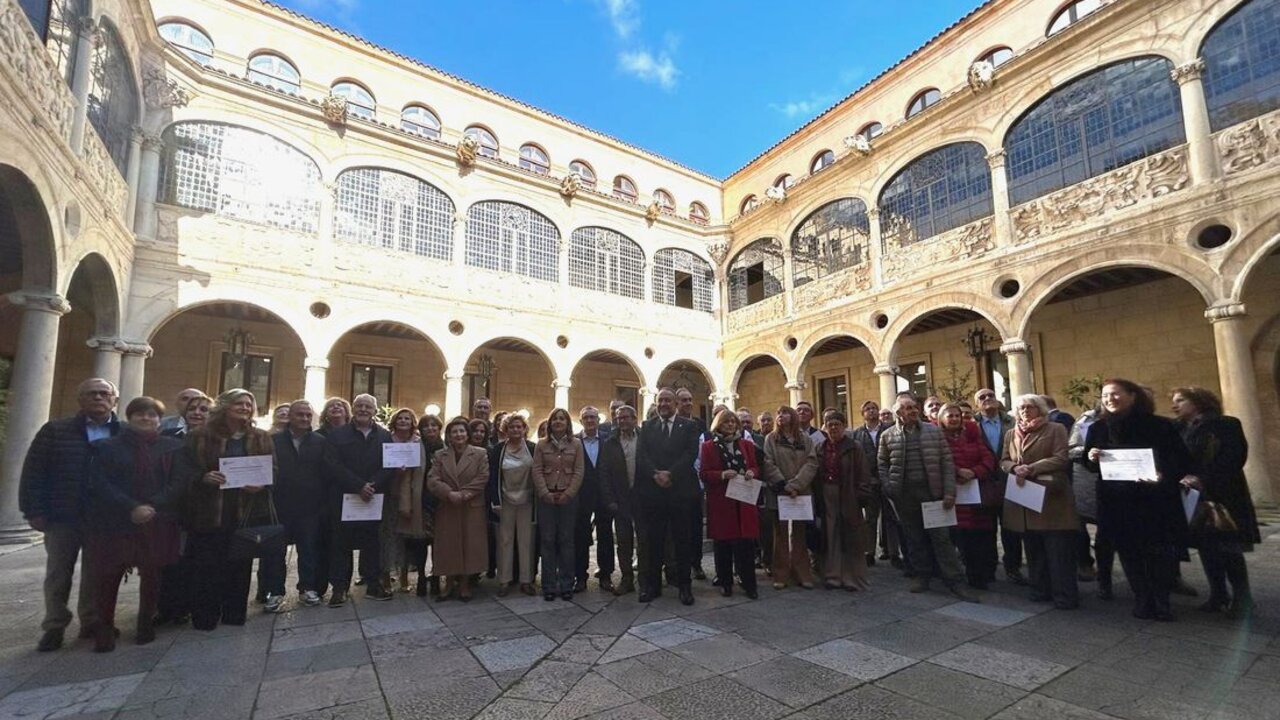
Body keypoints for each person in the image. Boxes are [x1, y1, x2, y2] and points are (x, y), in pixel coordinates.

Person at [20, 377, 120, 651]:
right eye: (91, 394)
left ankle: (92, 619)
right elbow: (33, 472)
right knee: (58, 573)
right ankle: (54, 625)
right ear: (80, 400)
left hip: (102, 517)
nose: (98, 398)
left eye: (104, 394)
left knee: (96, 572)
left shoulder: (122, 433)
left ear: (114, 400)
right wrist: (33, 510)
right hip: (62, 514)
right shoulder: (55, 430)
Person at [1084, 379, 1193, 621]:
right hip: (1116, 502)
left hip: (1154, 500)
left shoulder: (1160, 425)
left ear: (1133, 396)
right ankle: (1142, 597)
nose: (1109, 399)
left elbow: (1180, 459)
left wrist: (1162, 474)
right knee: (1128, 551)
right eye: (1105, 396)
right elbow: (1089, 464)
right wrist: (1091, 457)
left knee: (1159, 551)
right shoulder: (1098, 429)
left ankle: (1162, 600)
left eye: (1115, 394)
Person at [86, 396, 184, 651]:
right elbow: (100, 482)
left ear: (159, 420)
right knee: (108, 575)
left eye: (152, 415)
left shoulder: (171, 447)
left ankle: (145, 623)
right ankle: (104, 628)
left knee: (152, 575)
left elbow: (178, 482)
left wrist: (152, 506)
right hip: (116, 521)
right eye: (140, 414)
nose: (146, 418)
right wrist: (132, 507)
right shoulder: (107, 447)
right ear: (129, 418)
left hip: (156, 519)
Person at [175, 389, 278, 630]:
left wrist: (263, 483)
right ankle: (205, 616)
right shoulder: (199, 436)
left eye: (248, 404)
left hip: (246, 511)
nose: (245, 408)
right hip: (208, 511)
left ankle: (234, 614)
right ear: (224, 407)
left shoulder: (261, 437)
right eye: (239, 404)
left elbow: (273, 469)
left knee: (240, 565)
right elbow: (183, 471)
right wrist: (203, 477)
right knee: (207, 565)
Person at [1171, 387, 1260, 618]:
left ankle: (1243, 598)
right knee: (1206, 546)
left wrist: (1203, 479)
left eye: (1180, 400)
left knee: (1229, 546)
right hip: (1193, 498)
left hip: (1224, 496)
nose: (1175, 405)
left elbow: (1233, 458)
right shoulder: (1179, 428)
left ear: (1198, 401)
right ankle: (1218, 594)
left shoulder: (1226, 424)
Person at [879, 397, 978, 601]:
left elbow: (947, 463)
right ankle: (922, 575)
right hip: (905, 496)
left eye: (914, 407)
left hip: (932, 494)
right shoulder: (888, 435)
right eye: (907, 408)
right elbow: (882, 464)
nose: (913, 411)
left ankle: (956, 581)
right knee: (914, 537)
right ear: (898, 413)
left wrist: (949, 492)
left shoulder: (934, 432)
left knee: (942, 539)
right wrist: (889, 487)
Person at [1002, 395, 1078, 609]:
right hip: (1025, 499)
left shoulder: (1056, 429)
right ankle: (1039, 590)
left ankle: (1065, 595)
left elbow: (1061, 457)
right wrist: (1014, 468)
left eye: (1029, 407)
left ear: (1040, 409)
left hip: (1051, 498)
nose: (1025, 411)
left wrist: (1032, 468)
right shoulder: (1010, 433)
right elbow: (1004, 460)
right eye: (1020, 408)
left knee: (1058, 552)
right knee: (1034, 550)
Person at [324, 394, 394, 606]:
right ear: (353, 409)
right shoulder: (337, 435)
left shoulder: (384, 435)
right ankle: (339, 588)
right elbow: (332, 464)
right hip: (344, 497)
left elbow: (388, 464)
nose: (363, 409)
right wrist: (358, 485)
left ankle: (373, 584)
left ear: (375, 410)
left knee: (371, 543)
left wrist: (372, 485)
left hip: (372, 497)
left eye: (368, 406)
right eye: (359, 406)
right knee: (341, 544)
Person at [637, 388, 701, 605]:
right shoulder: (647, 426)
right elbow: (642, 455)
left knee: (682, 541)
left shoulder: (690, 426)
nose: (664, 404)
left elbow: (690, 454)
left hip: (680, 492)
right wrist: (655, 474)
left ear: (675, 403)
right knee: (654, 541)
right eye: (660, 400)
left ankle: (684, 587)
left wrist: (671, 473)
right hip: (654, 493)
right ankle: (653, 586)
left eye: (668, 400)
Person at [156, 393, 212, 625]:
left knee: (197, 559)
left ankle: (192, 604)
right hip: (171, 508)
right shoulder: (167, 436)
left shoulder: (219, 440)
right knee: (169, 559)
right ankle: (168, 608)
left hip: (204, 508)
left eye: (203, 409)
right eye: (193, 409)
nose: (197, 413)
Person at [271, 400, 329, 608]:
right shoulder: (274, 440)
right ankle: (275, 591)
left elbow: (326, 472)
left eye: (307, 415)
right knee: (277, 551)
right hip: (281, 504)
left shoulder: (320, 441)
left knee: (308, 549)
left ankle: (307, 588)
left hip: (310, 505)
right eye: (300, 415)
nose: (304, 419)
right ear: (290, 416)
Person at [698, 410, 761, 599]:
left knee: (746, 545)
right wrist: (722, 475)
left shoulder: (747, 445)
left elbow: (756, 466)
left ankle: (749, 583)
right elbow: (704, 473)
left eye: (733, 422)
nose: (731, 425)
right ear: (718, 424)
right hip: (722, 501)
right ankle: (726, 582)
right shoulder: (709, 447)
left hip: (744, 501)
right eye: (727, 422)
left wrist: (752, 472)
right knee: (723, 545)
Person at [427, 416, 490, 601]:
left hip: (471, 506)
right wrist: (449, 494)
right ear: (449, 435)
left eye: (462, 431)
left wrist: (463, 494)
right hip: (448, 506)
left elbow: (482, 477)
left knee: (469, 546)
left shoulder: (479, 453)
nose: (459, 434)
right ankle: (447, 584)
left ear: (467, 434)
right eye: (455, 431)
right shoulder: (440, 455)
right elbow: (432, 479)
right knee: (448, 545)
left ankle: (464, 585)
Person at [938, 403, 997, 589]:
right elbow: (937, 462)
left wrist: (974, 471)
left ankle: (981, 576)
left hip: (976, 495)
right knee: (959, 539)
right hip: (953, 496)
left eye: (957, 415)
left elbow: (988, 458)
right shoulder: (937, 438)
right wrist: (957, 472)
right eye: (950, 415)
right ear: (942, 419)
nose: (954, 418)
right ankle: (958, 576)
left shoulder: (973, 434)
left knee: (980, 538)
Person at [762, 405, 818, 590]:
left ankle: (802, 573)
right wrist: (783, 485)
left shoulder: (805, 439)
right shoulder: (771, 439)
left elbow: (811, 462)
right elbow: (767, 463)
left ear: (792, 417)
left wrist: (796, 485)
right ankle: (781, 574)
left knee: (800, 535)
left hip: (800, 493)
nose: (781, 416)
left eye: (785, 413)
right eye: (778, 413)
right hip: (780, 493)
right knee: (780, 535)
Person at [817, 411, 874, 591]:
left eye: (837, 424)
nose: (833, 427)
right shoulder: (820, 447)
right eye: (829, 424)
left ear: (844, 426)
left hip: (849, 494)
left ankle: (852, 578)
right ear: (825, 427)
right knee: (831, 534)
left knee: (850, 536)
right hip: (827, 493)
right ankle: (833, 575)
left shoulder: (854, 447)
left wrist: (862, 496)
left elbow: (863, 473)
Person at [533, 408, 584, 601]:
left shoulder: (576, 444)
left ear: (568, 423)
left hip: (568, 498)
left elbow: (579, 471)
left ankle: (566, 584)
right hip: (547, 498)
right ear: (550, 423)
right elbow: (536, 470)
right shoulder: (541, 445)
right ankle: (548, 585)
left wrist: (569, 493)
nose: (558, 422)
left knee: (566, 541)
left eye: (562, 419)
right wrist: (544, 493)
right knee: (547, 541)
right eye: (555, 418)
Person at [974, 388, 1024, 586]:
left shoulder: (1012, 422)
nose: (987, 399)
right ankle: (989, 568)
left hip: (1009, 481)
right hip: (984, 483)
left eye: (990, 396)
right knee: (986, 529)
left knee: (1012, 529)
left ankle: (1013, 567)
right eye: (982, 397)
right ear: (977, 405)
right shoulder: (971, 425)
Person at [488, 413, 537, 597]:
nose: (516, 430)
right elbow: (493, 477)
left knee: (526, 541)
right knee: (505, 541)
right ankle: (504, 580)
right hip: (505, 501)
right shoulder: (498, 449)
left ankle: (526, 580)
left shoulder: (533, 448)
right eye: (512, 427)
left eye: (519, 427)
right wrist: (495, 500)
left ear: (524, 429)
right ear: (505, 429)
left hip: (527, 501)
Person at [600, 405, 643, 596]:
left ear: (635, 419)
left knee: (644, 540)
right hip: (620, 498)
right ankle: (627, 579)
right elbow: (604, 473)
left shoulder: (645, 439)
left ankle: (645, 578)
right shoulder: (610, 443)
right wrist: (610, 499)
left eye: (626, 417)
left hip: (642, 498)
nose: (622, 421)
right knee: (624, 542)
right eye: (619, 418)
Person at [1068, 405, 1112, 595]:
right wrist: (1089, 452)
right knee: (1086, 528)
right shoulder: (1087, 422)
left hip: (1121, 483)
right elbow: (1071, 449)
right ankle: (1096, 571)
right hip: (1087, 480)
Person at [387, 408, 428, 593]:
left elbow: (420, 470)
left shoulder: (417, 442)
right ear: (394, 421)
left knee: (406, 539)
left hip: (410, 496)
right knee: (388, 537)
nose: (404, 421)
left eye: (408, 418)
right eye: (400, 418)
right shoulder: (386, 440)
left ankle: (404, 576)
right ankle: (386, 575)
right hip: (389, 494)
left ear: (413, 423)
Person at [575, 406, 614, 593]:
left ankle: (606, 575)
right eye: (586, 417)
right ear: (581, 420)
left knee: (605, 535)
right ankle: (580, 577)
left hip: (604, 495)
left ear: (599, 420)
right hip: (581, 496)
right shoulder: (574, 441)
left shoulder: (608, 440)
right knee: (581, 536)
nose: (590, 420)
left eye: (593, 417)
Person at [850, 401, 890, 567]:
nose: (871, 411)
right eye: (867, 409)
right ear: (862, 413)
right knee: (870, 519)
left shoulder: (888, 429)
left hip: (887, 478)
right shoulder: (857, 434)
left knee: (890, 518)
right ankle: (869, 552)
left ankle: (892, 551)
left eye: (874, 408)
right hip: (868, 481)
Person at [674, 388, 708, 580]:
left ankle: (697, 563)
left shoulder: (699, 424)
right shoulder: (672, 425)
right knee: (679, 527)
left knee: (695, 527)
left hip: (696, 484)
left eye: (690, 399)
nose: (688, 403)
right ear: (676, 403)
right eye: (684, 400)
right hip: (677, 483)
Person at [413, 414, 445, 597]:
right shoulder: (415, 448)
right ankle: (421, 576)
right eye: (426, 426)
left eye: (434, 426)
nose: (430, 429)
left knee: (438, 542)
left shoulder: (445, 448)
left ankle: (435, 576)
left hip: (440, 501)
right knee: (420, 541)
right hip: (421, 499)